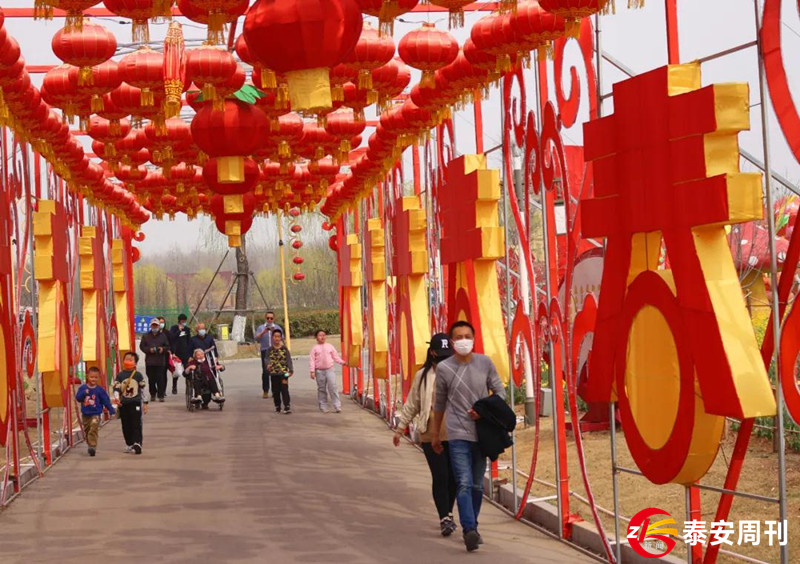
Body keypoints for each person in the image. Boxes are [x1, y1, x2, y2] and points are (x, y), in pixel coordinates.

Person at [430, 321, 505, 552]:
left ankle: (474, 526)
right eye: (459, 337)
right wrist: (435, 434)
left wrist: (484, 410)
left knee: (475, 485)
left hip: (481, 435)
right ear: (452, 342)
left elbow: (500, 391)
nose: (463, 340)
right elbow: (439, 403)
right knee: (462, 482)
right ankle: (469, 530)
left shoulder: (485, 363)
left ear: (474, 338)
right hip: (457, 434)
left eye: (467, 336)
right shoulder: (444, 368)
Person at [393, 334, 457, 536]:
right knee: (440, 476)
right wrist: (400, 427)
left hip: (455, 430)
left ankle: (449, 511)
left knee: (454, 477)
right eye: (442, 354)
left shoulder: (459, 372)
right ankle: (444, 518)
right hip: (431, 431)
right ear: (433, 353)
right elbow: (413, 403)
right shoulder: (422, 375)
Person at [113, 351, 149, 455]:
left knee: (136, 423)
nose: (128, 361)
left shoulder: (138, 375)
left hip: (135, 403)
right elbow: (116, 389)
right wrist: (117, 400)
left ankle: (137, 443)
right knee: (126, 424)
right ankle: (129, 443)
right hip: (124, 404)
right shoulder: (120, 375)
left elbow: (143, 389)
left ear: (135, 363)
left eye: (131, 360)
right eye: (126, 359)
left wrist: (145, 403)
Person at [75, 366, 116, 457]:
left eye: (96, 377)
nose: (93, 379)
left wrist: (111, 410)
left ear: (99, 378)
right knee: (88, 430)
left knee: (93, 427)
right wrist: (84, 393)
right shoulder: (83, 388)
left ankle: (93, 446)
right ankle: (90, 445)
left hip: (96, 413)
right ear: (87, 377)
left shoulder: (100, 390)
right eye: (91, 377)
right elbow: (78, 398)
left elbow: (105, 400)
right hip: (86, 413)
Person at [309, 329, 345, 413]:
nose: (322, 337)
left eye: (324, 335)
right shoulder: (314, 348)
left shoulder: (330, 346)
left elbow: (335, 357)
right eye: (320, 335)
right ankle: (323, 405)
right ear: (316, 337)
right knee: (321, 389)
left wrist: (343, 362)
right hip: (319, 371)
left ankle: (337, 405)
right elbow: (312, 360)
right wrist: (312, 371)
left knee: (333, 387)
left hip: (330, 370)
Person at [139, 318, 170, 402]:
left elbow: (167, 346)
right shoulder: (146, 336)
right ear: (151, 326)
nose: (155, 327)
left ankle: (161, 395)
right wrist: (149, 350)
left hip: (160, 361)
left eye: (156, 325)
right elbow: (142, 346)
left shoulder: (163, 336)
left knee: (160, 378)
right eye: (153, 325)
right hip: (150, 361)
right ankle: (153, 394)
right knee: (151, 379)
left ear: (159, 326)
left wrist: (162, 349)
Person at [255, 312, 283, 399]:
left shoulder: (277, 327)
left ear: (274, 319)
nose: (269, 320)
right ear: (265, 318)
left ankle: (275, 391)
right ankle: (265, 391)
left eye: (271, 318)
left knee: (275, 371)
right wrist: (264, 332)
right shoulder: (261, 327)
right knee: (266, 371)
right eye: (268, 318)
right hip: (265, 351)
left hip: (275, 350)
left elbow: (282, 338)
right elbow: (256, 338)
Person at [265, 330, 293, 414]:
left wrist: (290, 370)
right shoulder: (269, 349)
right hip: (274, 373)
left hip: (284, 373)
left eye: (278, 336)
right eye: (275, 336)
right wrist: (268, 365)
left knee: (284, 389)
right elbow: (266, 359)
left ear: (281, 338)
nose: (277, 338)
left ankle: (287, 406)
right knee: (276, 391)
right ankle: (277, 406)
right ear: (272, 338)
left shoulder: (284, 348)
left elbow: (288, 359)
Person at [168, 314, 193, 395]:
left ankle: (188, 386)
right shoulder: (174, 328)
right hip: (176, 353)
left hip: (185, 353)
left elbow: (189, 341)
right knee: (177, 372)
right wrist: (179, 330)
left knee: (187, 370)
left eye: (185, 321)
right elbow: (171, 338)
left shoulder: (187, 329)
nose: (184, 322)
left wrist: (190, 355)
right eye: (182, 321)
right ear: (179, 320)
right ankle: (174, 387)